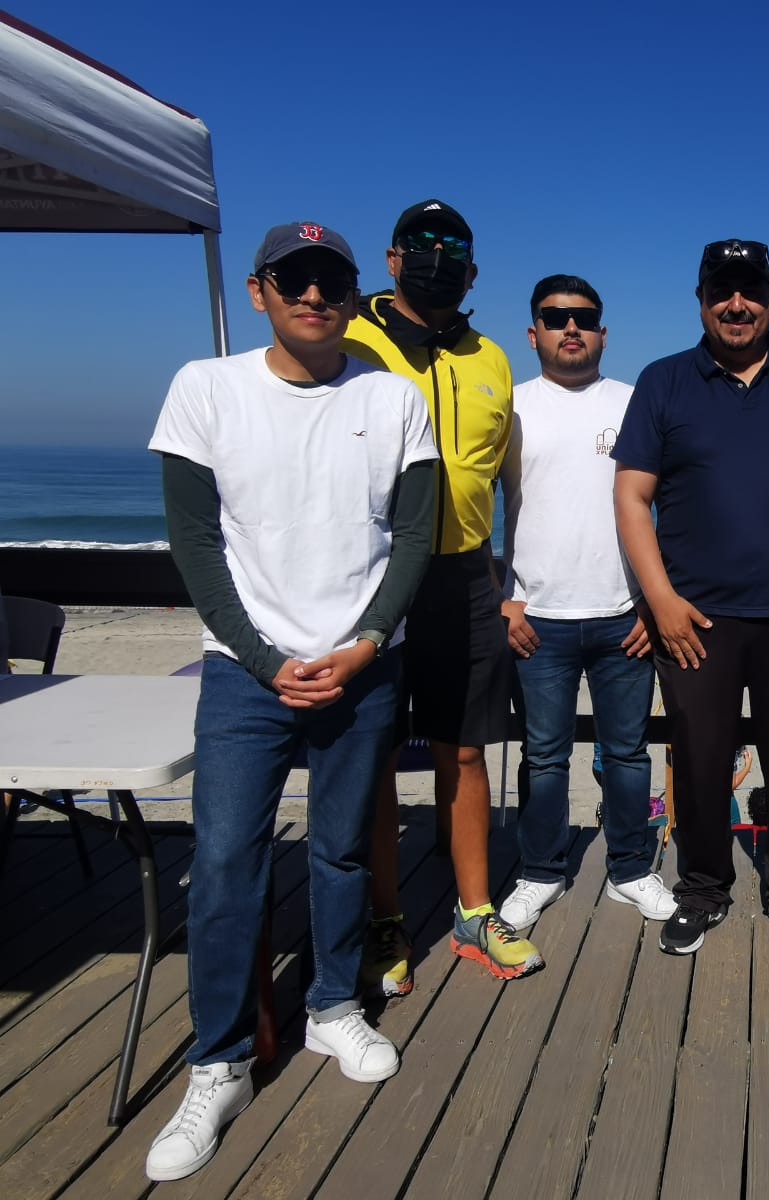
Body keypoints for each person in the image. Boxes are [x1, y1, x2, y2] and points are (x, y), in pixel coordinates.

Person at [144, 223, 436, 1181]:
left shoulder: (393, 397)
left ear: (357, 292)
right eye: (294, 278)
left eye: (332, 280)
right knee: (226, 862)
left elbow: (416, 536)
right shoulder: (206, 388)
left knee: (344, 848)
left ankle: (331, 1008)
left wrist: (360, 646)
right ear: (260, 288)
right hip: (242, 672)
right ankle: (218, 1061)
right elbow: (194, 544)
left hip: (363, 667)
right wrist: (266, 658)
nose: (314, 294)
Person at [613, 239, 769, 956]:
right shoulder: (663, 381)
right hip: (695, 619)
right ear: (701, 298)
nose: (736, 304)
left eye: (750, 291)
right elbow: (631, 494)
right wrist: (659, 599)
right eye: (722, 291)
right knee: (700, 759)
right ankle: (704, 887)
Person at [343, 200, 540, 988]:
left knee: (465, 748)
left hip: (463, 575)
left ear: (473, 271)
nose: (436, 259)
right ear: (392, 261)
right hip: (374, 574)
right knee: (378, 754)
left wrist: (505, 581)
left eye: (451, 248)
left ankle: (472, 911)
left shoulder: (492, 357)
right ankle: (385, 918)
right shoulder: (349, 339)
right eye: (420, 246)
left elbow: (500, 479)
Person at [497, 274, 674, 931]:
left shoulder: (636, 404)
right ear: (533, 331)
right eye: (555, 316)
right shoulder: (508, 407)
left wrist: (656, 604)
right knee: (542, 756)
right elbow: (464, 510)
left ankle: (631, 868)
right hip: (535, 619)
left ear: (602, 331)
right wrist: (501, 599)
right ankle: (540, 871)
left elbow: (673, 507)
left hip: (624, 616)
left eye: (583, 317)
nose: (570, 327)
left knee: (627, 755)